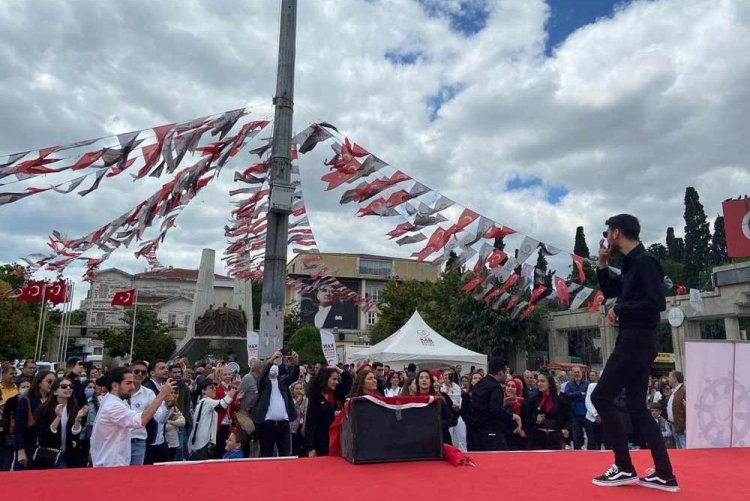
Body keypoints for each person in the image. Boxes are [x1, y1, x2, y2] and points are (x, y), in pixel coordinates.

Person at [592, 214, 678, 491]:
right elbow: (612, 291)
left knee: (601, 396)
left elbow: (657, 303)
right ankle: (664, 473)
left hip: (636, 340)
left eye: (607, 233)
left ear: (616, 232)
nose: (605, 238)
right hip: (635, 340)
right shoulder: (630, 265)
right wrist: (603, 265)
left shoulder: (645, 261)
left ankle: (624, 466)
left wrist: (621, 309)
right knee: (637, 407)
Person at [90, 368, 175, 467]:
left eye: (133, 383)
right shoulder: (112, 406)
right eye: (128, 383)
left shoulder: (113, 400)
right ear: (115, 386)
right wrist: (162, 394)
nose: (132, 387)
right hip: (111, 464)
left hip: (112, 462)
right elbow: (141, 420)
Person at [32, 377, 87, 468]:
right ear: (54, 392)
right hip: (50, 455)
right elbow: (43, 437)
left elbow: (75, 435)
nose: (68, 388)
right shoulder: (44, 409)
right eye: (64, 386)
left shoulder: (74, 407)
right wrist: (58, 417)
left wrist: (77, 420)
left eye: (71, 386)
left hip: (70, 454)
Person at [252, 350, 299, 457]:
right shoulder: (263, 384)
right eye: (272, 365)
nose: (274, 367)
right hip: (267, 426)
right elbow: (262, 377)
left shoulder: (283, 381)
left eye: (275, 365)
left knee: (285, 454)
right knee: (266, 454)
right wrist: (271, 360)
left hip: (283, 425)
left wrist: (295, 363)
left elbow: (294, 376)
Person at [470, 358, 521, 451]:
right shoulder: (495, 388)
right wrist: (513, 416)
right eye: (506, 372)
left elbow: (483, 405)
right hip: (491, 434)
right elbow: (495, 410)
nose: (506, 375)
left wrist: (503, 401)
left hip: (476, 433)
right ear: (500, 372)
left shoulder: (480, 384)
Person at [305, 366, 351, 456]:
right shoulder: (315, 396)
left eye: (337, 379)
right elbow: (311, 421)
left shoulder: (337, 392)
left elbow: (348, 381)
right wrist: (310, 447)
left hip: (337, 438)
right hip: (321, 439)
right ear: (326, 379)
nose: (336, 382)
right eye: (334, 379)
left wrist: (337, 369)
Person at [13, 370, 54, 470]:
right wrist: (20, 450)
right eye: (49, 381)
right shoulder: (27, 400)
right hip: (29, 444)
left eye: (54, 382)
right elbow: (19, 427)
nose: (52, 385)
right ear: (39, 382)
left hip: (47, 447)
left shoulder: (54, 400)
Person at [188, 379, 235, 460]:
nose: (214, 389)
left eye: (215, 387)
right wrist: (234, 390)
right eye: (211, 387)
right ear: (203, 391)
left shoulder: (202, 403)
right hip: (203, 445)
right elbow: (223, 403)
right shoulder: (207, 402)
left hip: (199, 444)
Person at [526, 372, 570, 451]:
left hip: (555, 438)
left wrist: (566, 429)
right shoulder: (534, 400)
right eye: (538, 381)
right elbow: (526, 419)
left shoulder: (560, 401)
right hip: (538, 438)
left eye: (542, 381)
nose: (539, 383)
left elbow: (568, 418)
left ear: (550, 383)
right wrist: (535, 421)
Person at [415, 370, 457, 445]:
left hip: (438, 440)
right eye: (421, 378)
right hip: (419, 441)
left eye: (427, 378)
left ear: (431, 382)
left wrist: (436, 424)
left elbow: (453, 420)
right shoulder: (413, 401)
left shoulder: (437, 400)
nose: (424, 380)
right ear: (417, 382)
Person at [142, 359, 170, 464]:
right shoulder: (147, 390)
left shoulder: (164, 388)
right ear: (152, 373)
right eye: (162, 368)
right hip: (148, 442)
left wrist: (169, 409)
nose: (166, 370)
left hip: (161, 440)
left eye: (166, 368)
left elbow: (162, 416)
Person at [1, 377, 30, 470]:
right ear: (18, 388)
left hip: (28, 436)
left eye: (28, 386)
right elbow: (6, 419)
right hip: (12, 436)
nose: (26, 388)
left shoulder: (31, 400)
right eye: (23, 386)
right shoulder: (11, 401)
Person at [168, 363, 192, 461]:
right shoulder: (166, 387)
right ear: (169, 373)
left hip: (181, 422)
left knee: (181, 448)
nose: (177, 374)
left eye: (179, 372)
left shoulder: (184, 388)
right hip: (168, 423)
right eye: (174, 372)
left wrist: (185, 419)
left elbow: (187, 404)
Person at [564, 365, 591, 450]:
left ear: (581, 373)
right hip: (574, 413)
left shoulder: (587, 384)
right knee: (576, 435)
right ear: (572, 373)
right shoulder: (569, 384)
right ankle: (577, 451)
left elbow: (588, 395)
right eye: (575, 372)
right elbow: (567, 395)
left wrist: (575, 396)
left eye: (578, 372)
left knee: (590, 434)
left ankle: (591, 451)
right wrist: (580, 393)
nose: (576, 374)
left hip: (586, 412)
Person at [503, 378, 527, 451]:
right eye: (508, 386)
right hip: (502, 438)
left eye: (513, 386)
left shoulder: (523, 404)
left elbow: (528, 421)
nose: (510, 388)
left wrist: (523, 430)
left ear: (518, 389)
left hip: (517, 439)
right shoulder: (499, 402)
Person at [667, 371, 686, 449]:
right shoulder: (674, 391)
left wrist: (685, 427)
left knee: (683, 447)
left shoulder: (683, 391)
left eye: (670, 377)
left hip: (681, 426)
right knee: (679, 448)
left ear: (675, 379)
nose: (668, 379)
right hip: (674, 424)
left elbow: (688, 410)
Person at [585, 373, 603, 451]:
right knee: (591, 441)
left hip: (603, 417)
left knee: (600, 441)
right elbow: (588, 401)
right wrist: (596, 414)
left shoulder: (609, 387)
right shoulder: (592, 386)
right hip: (591, 418)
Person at [289, 381, 307, 456]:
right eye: (296, 389)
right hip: (292, 428)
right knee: (294, 448)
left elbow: (305, 413)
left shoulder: (306, 400)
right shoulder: (289, 400)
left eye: (300, 388)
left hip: (303, 426)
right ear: (293, 390)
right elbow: (292, 411)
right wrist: (298, 401)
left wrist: (302, 400)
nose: (299, 390)